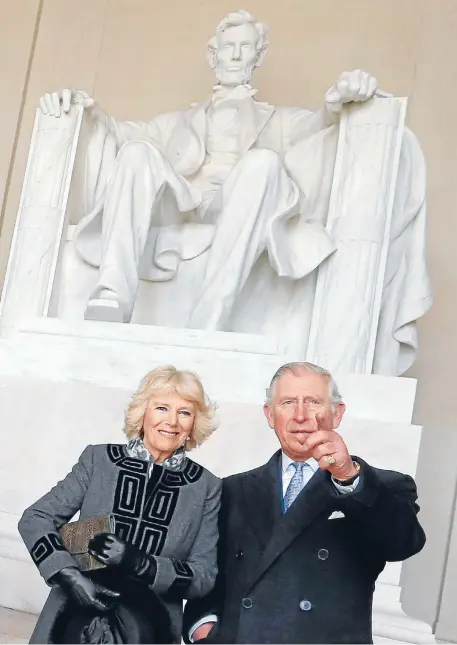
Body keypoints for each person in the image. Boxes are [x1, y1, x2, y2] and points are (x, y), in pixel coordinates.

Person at [183, 362, 426, 644]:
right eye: (288, 402)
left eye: (312, 402)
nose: (300, 416)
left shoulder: (379, 486)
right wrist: (205, 630)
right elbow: (207, 576)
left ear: (337, 414)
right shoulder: (232, 489)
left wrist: (347, 477)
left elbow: (403, 544)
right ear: (270, 414)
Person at [18, 365, 221, 644]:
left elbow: (203, 576)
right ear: (143, 413)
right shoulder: (99, 461)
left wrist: (141, 563)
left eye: (184, 412)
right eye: (162, 408)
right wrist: (69, 575)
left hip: (150, 631)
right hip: (71, 624)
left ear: (194, 424)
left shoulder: (206, 487)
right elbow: (36, 518)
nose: (172, 422)